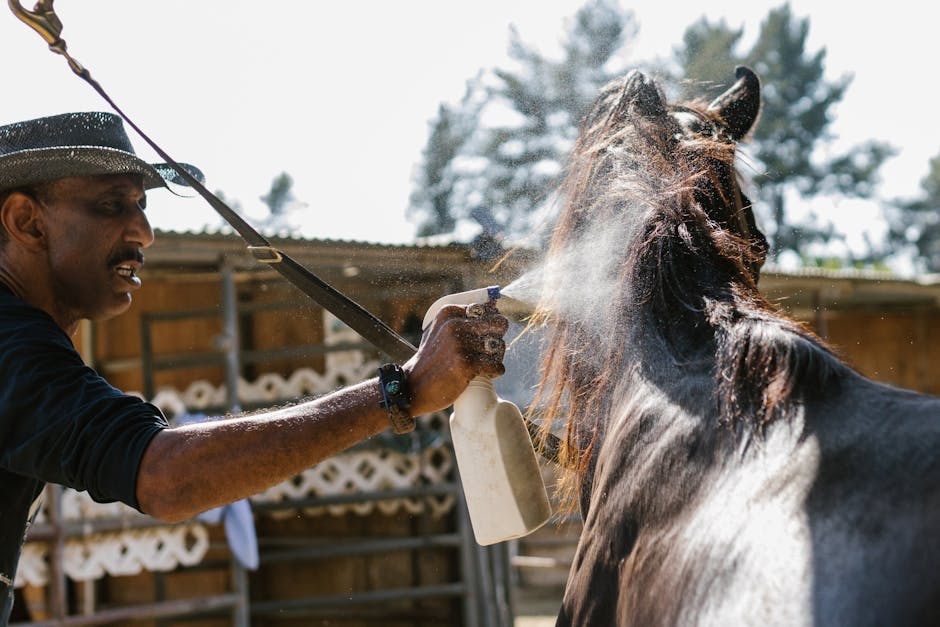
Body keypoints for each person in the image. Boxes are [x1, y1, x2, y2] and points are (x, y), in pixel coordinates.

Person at [0, 111, 509, 622]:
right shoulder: (9, 342)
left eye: (141, 205)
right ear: (26, 221)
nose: (144, 232)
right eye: (112, 204)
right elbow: (162, 476)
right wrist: (404, 391)